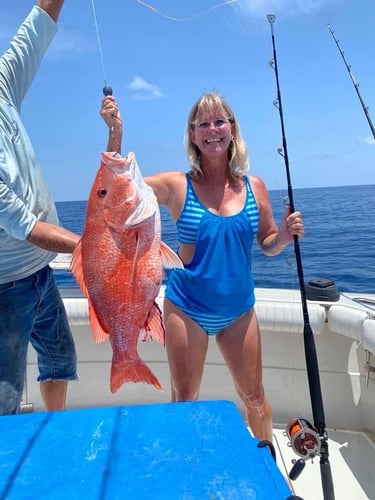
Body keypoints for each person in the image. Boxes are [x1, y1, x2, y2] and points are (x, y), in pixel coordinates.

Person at [100, 92, 304, 441]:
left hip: (239, 311)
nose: (212, 129)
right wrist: (115, 133)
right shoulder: (176, 185)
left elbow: (267, 242)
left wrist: (282, 236)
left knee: (255, 399)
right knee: (184, 400)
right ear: (193, 135)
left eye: (219, 120)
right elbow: (115, 188)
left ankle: (269, 468)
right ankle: (184, 473)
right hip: (186, 310)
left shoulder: (254, 186)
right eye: (203, 123)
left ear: (232, 129)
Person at [0, 1, 80, 416]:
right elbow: (23, 224)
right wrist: (89, 248)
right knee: (5, 398)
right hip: (5, 288)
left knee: (60, 360)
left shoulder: (1, 84)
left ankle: (57, 433)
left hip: (41, 275)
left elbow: (37, 25)